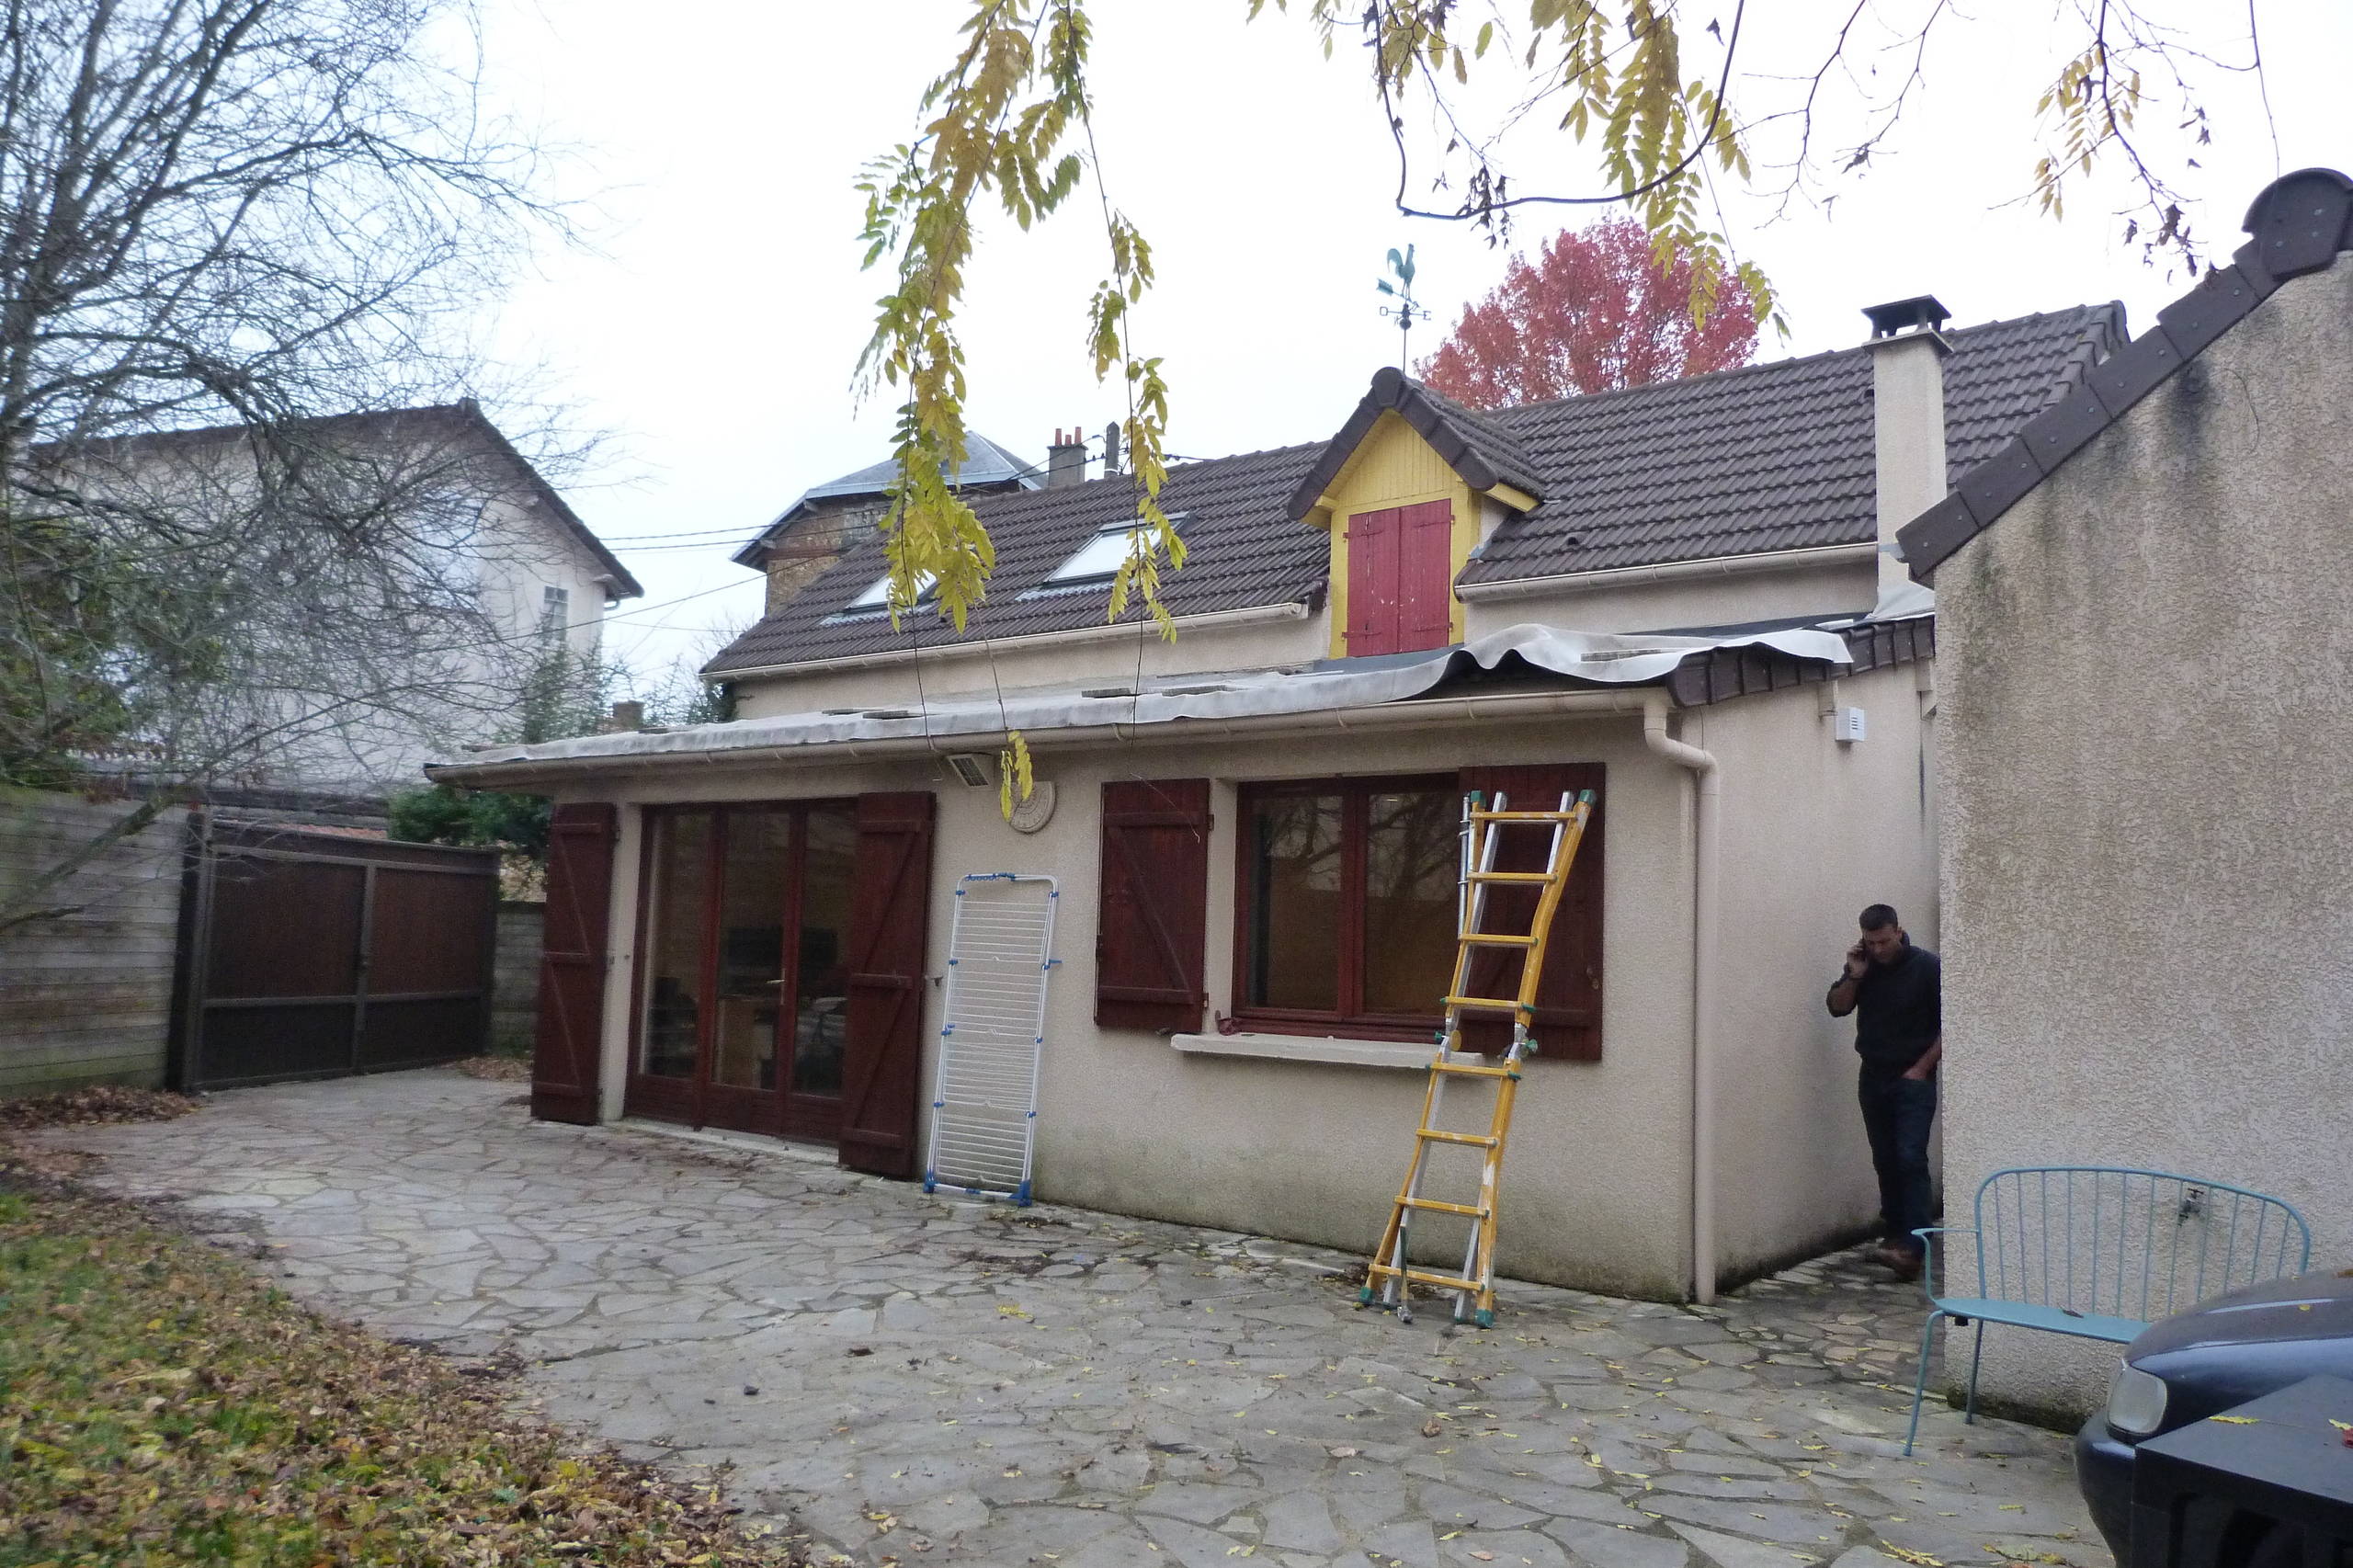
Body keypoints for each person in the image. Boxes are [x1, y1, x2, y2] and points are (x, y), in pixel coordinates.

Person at [1825, 903, 1942, 1282]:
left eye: (1884, 941)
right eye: (1871, 942)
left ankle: (1915, 1245)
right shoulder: (1864, 966)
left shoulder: (1927, 967)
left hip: (1912, 1078)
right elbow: (1837, 1008)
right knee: (1885, 1158)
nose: (1878, 949)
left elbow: (1953, 1021)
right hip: (1873, 1074)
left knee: (1910, 1157)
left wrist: (1921, 1069)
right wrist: (1855, 976)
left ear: (1899, 931)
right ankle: (1895, 1239)